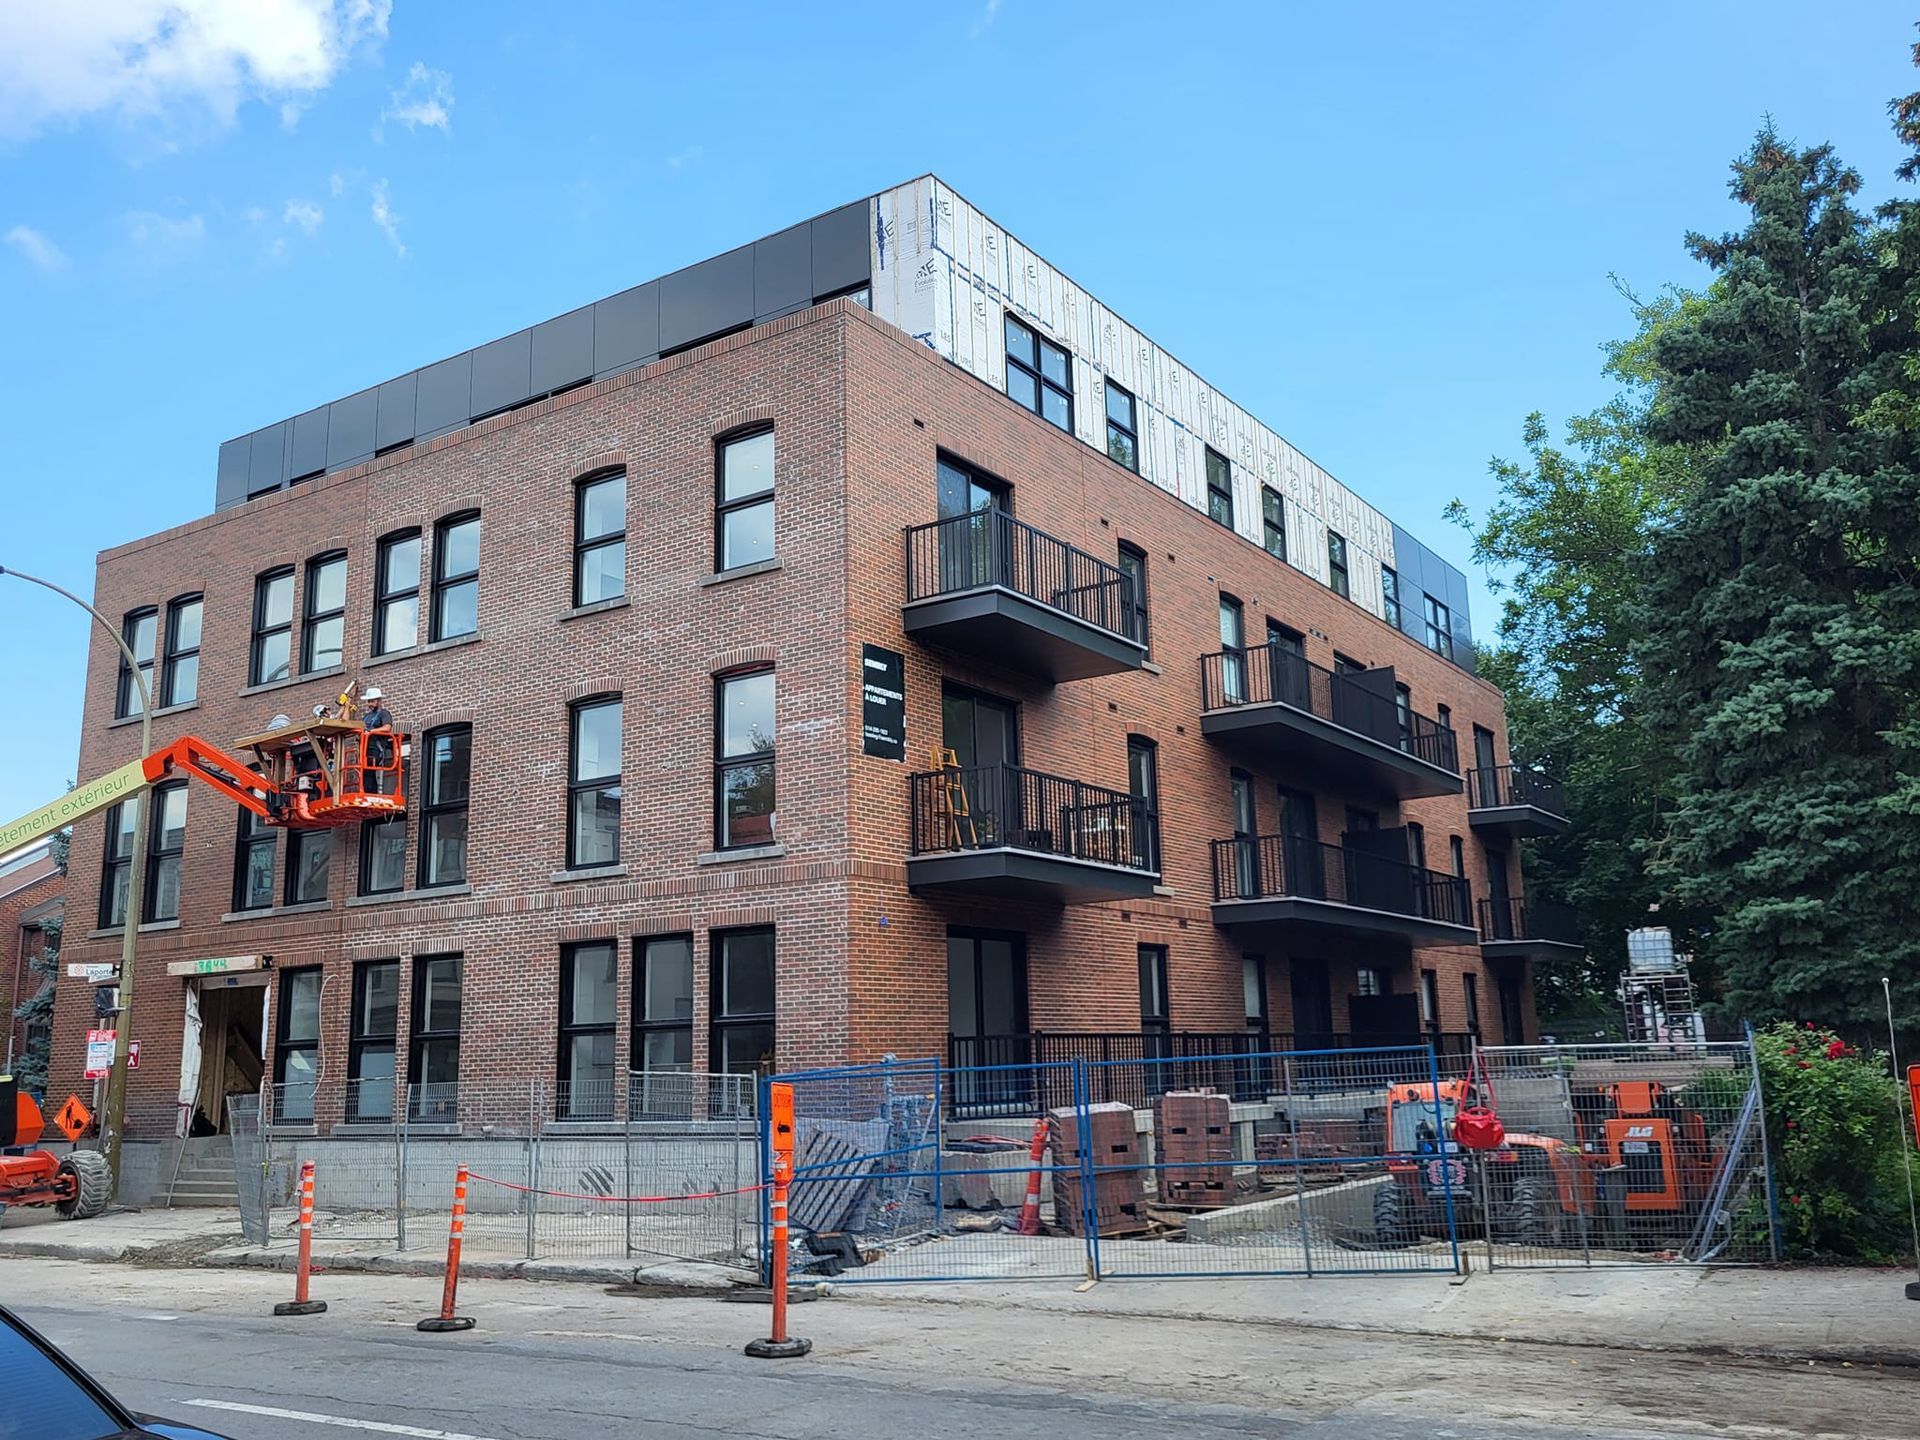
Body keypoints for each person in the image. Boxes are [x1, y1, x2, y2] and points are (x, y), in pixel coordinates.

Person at [361, 686, 395, 793]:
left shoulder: (384, 714)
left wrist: (371, 732)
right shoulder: (366, 717)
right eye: (369, 701)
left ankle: (372, 793)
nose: (370, 704)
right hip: (364, 747)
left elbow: (387, 728)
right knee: (364, 772)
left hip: (376, 747)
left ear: (379, 701)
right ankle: (366, 792)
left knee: (370, 770)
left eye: (372, 701)